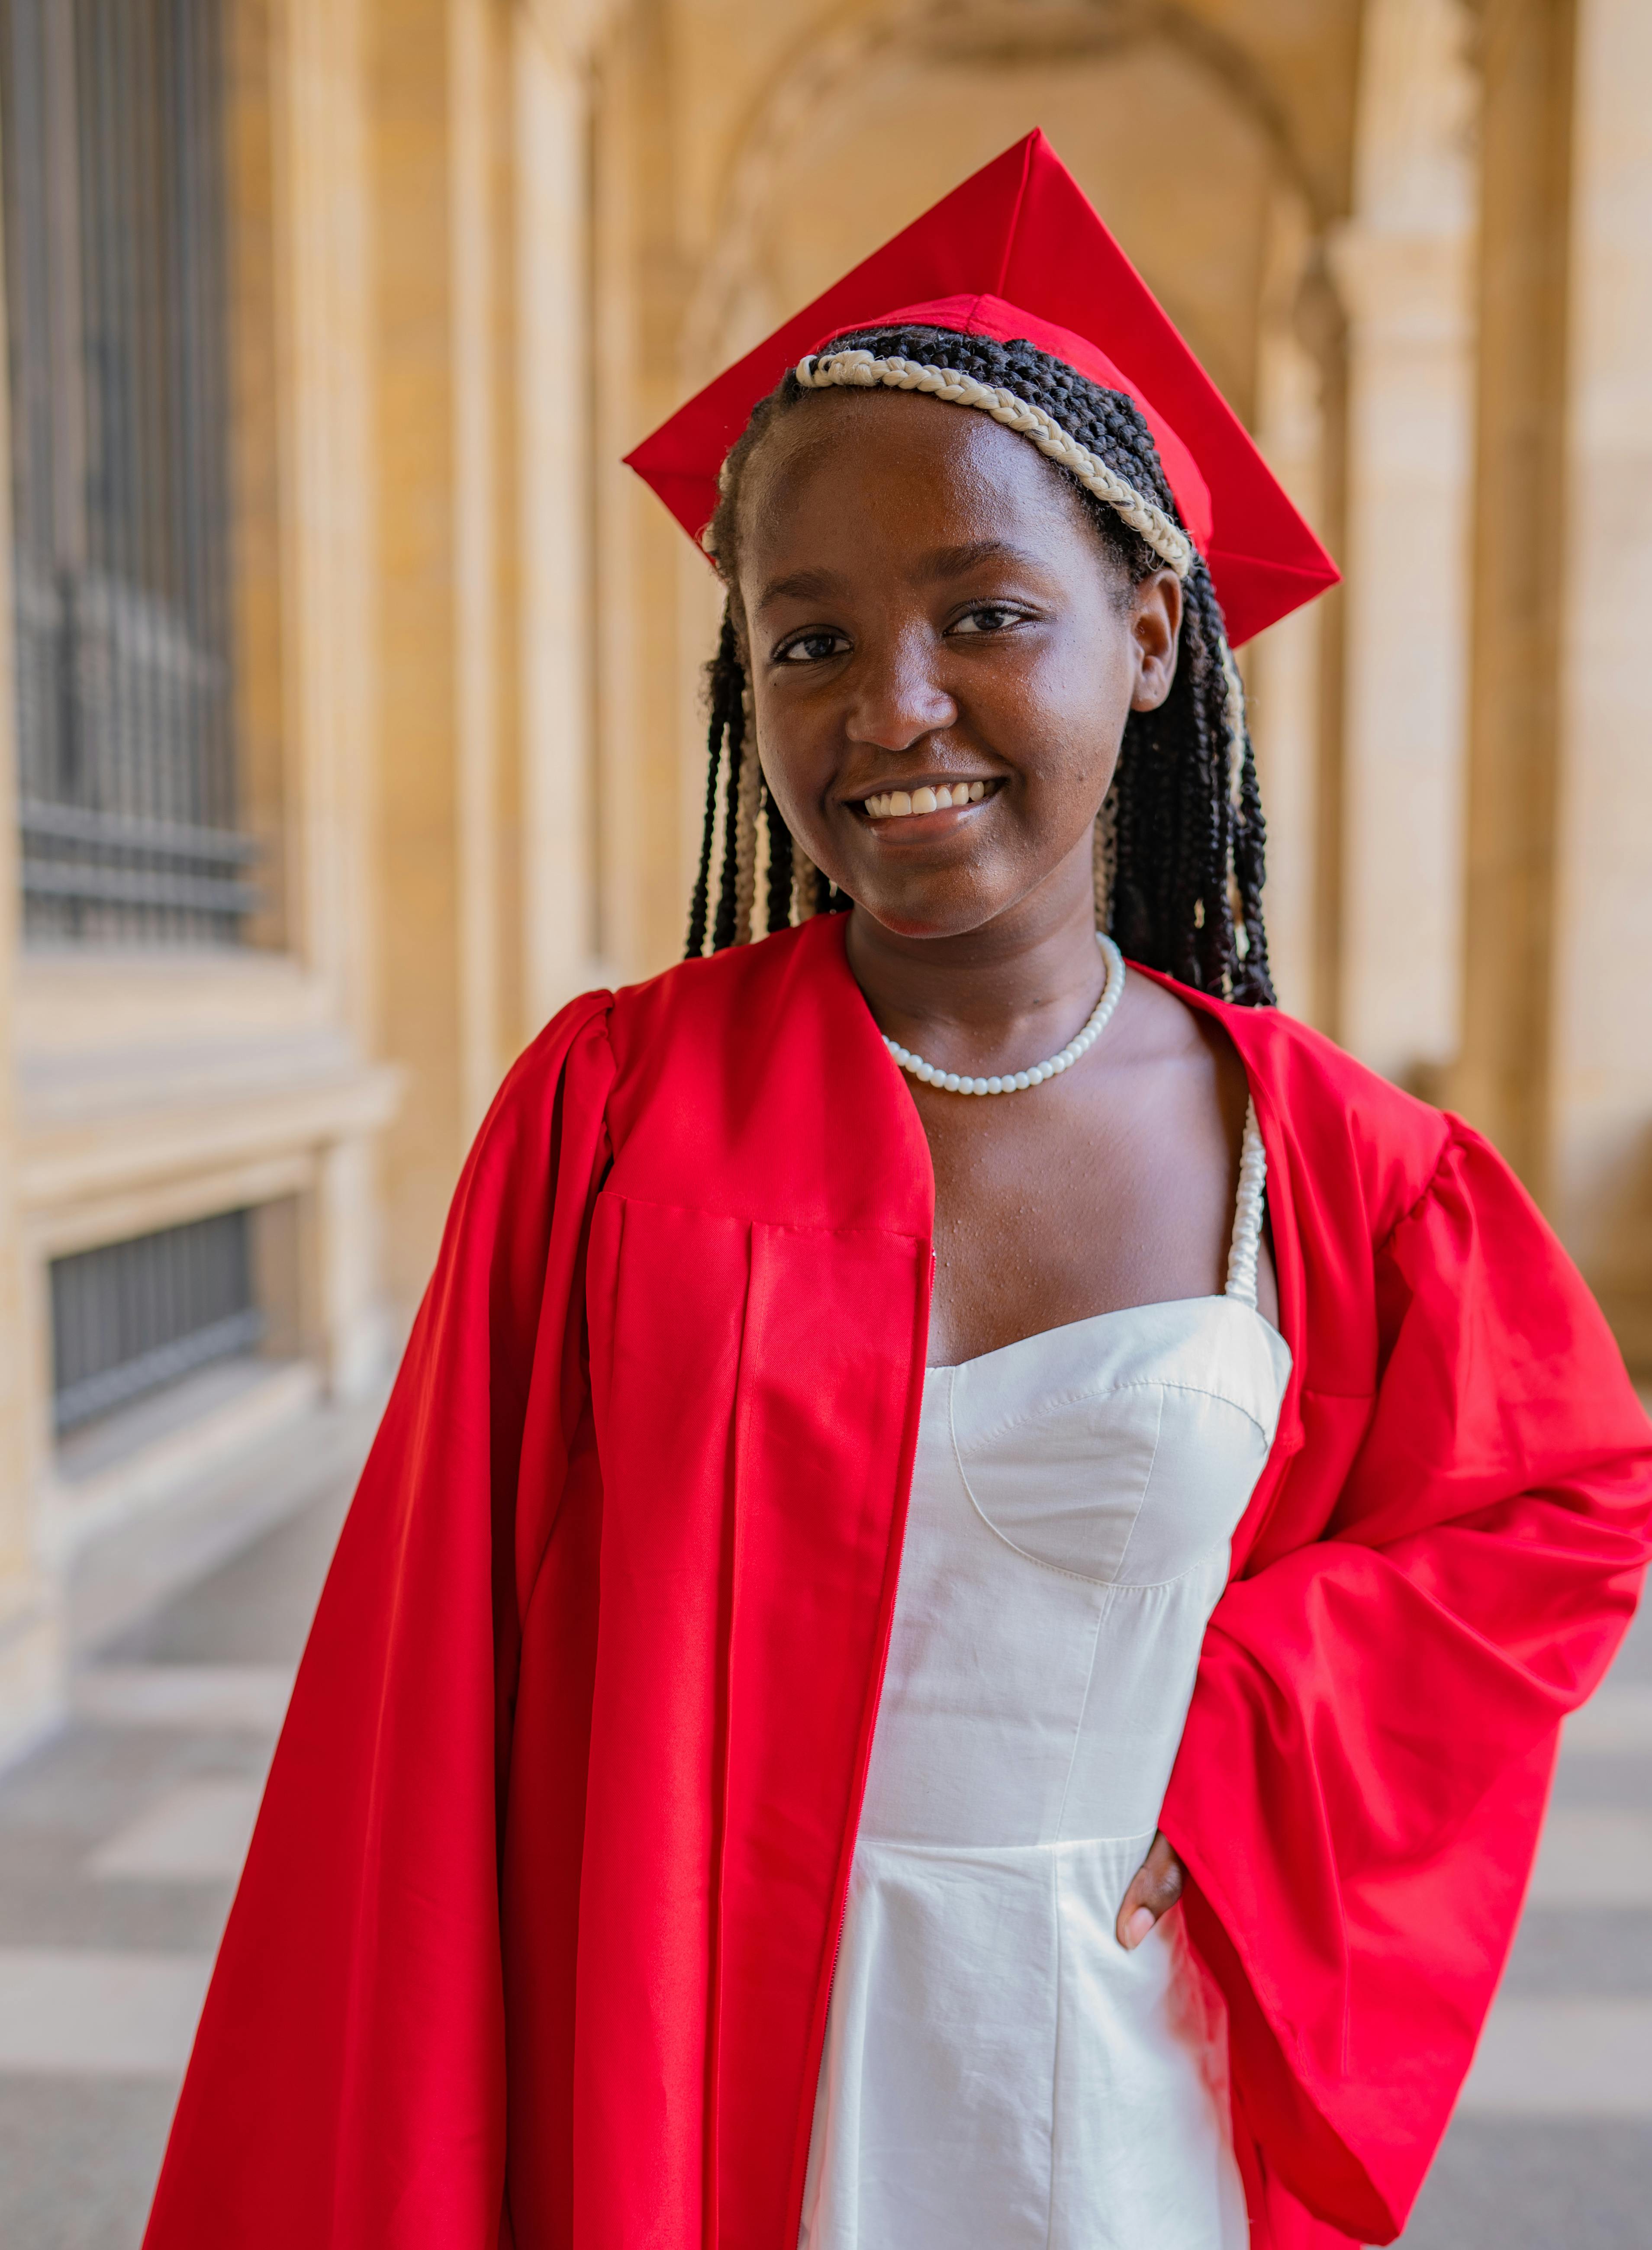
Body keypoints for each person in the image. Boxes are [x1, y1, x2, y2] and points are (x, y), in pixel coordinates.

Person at [144, 133, 1651, 2250]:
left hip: (1101, 2069)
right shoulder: (611, 1115)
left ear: (1147, 638)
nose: (893, 710)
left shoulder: (1339, 1170)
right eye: (809, 643)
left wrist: (1244, 1740)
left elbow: (1561, 1499)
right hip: (667, 2056)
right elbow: (418, 1721)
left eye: (986, 614)